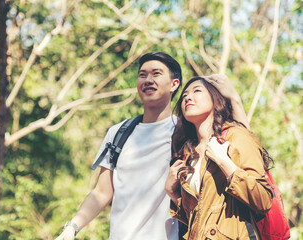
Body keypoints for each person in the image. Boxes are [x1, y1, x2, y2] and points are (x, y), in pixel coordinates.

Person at [55, 52, 248, 240]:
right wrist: (72, 227)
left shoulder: (186, 132)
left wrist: (234, 100)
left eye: (156, 74)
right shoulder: (119, 133)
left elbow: (246, 150)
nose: (148, 80)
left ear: (174, 84)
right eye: (142, 75)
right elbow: (102, 192)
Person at [165, 76, 273, 239]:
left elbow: (263, 199)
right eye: (184, 95)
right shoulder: (190, 155)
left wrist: (225, 163)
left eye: (197, 91)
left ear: (216, 100)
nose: (187, 97)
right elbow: (200, 218)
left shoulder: (236, 136)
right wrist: (172, 193)